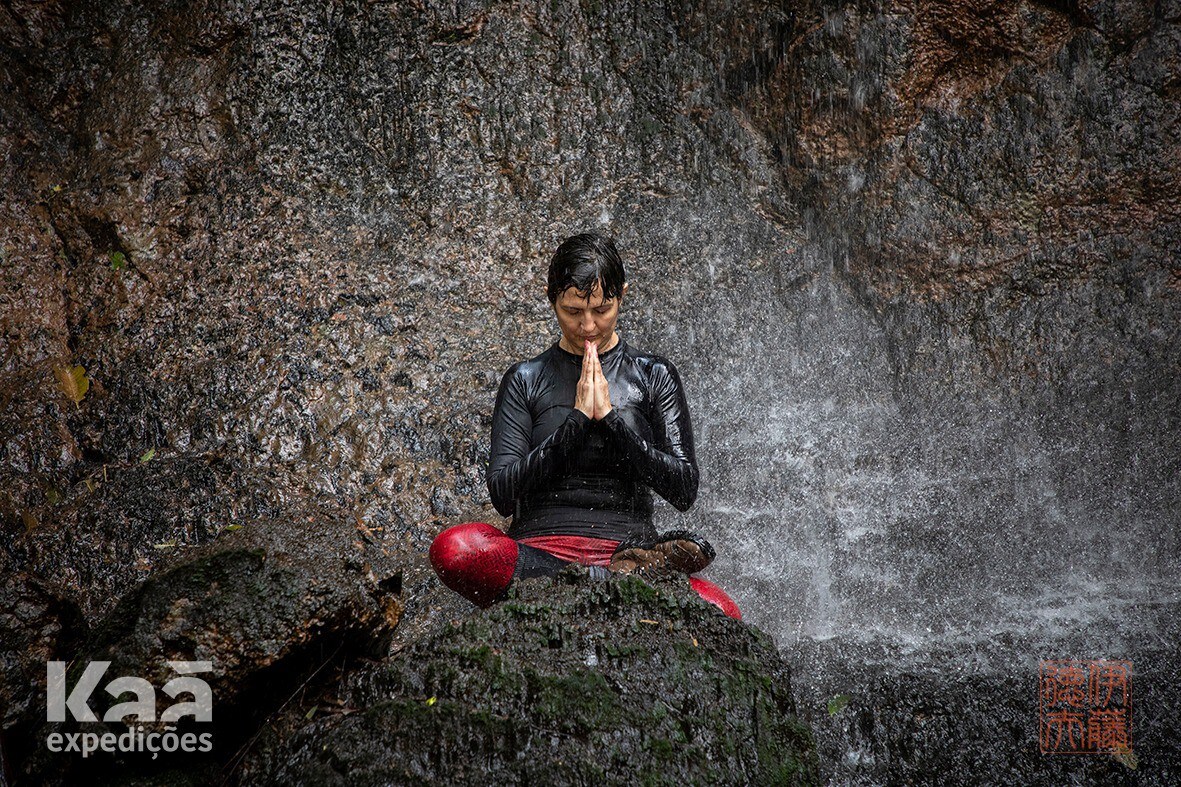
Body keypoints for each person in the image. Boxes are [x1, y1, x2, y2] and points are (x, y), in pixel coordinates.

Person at [429, 232, 741, 619]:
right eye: (573, 311)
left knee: (723, 612)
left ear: (622, 296)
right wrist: (575, 422)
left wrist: (611, 422)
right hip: (538, 553)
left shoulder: (654, 375)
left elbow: (684, 489)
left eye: (602, 310)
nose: (588, 326)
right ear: (551, 298)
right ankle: (616, 582)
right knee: (455, 549)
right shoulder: (525, 379)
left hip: (629, 545)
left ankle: (628, 569)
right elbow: (503, 494)